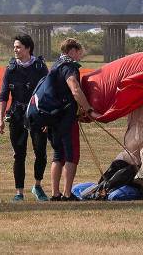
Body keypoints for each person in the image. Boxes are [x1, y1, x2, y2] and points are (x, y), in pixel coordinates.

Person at [27, 38, 99, 201]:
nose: (80, 56)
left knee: (58, 155)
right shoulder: (69, 67)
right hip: (66, 119)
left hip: (52, 118)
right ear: (72, 51)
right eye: (79, 52)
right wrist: (88, 109)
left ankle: (55, 193)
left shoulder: (56, 65)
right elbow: (75, 88)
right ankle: (67, 194)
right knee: (71, 155)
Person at [0, 34, 50, 202]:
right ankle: (19, 192)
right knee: (19, 154)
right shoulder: (10, 69)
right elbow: (3, 95)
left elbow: (48, 93)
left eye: (18, 47)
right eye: (14, 47)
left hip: (37, 115)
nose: (15, 50)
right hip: (17, 116)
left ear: (28, 48)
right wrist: (0, 119)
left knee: (40, 152)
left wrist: (48, 119)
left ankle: (37, 186)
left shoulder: (40, 68)